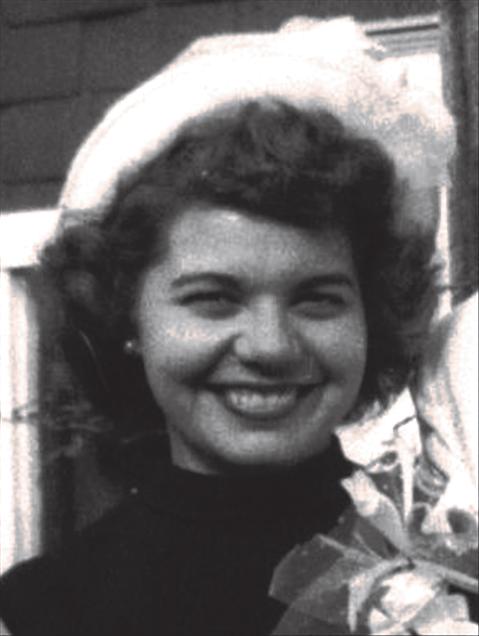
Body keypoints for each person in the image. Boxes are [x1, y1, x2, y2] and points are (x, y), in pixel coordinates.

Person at [0, 17, 455, 636]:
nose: (271, 346)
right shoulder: (44, 611)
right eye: (213, 299)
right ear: (126, 318)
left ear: (371, 318)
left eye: (317, 300)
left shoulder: (449, 566)